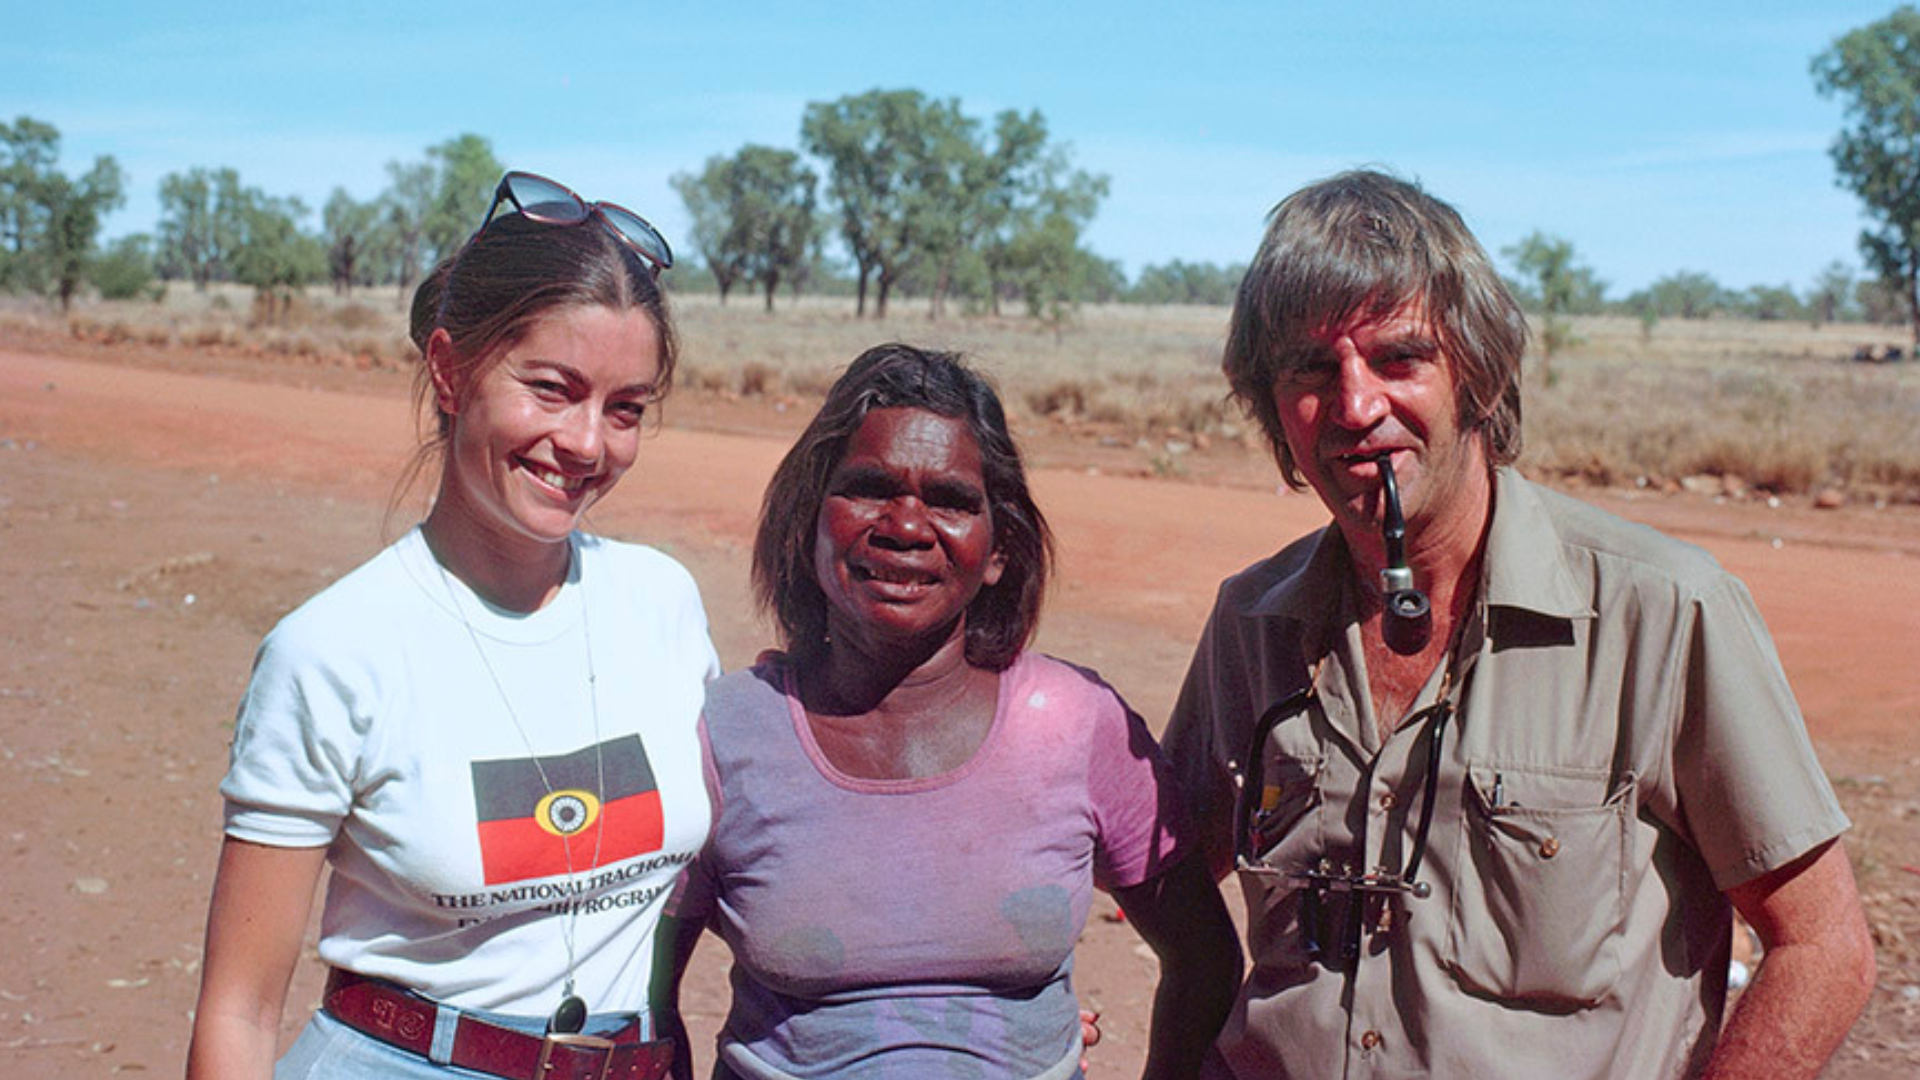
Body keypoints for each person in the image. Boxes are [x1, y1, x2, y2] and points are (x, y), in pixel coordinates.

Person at [1162, 169, 1876, 1079]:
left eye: (1398, 358)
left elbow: (1823, 948)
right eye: (1310, 368)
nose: (1354, 407)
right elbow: (1163, 863)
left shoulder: (1657, 612)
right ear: (1272, 407)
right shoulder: (1251, 623)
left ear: (1479, 371)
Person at [185, 171, 719, 1080]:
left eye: (625, 408)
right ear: (449, 368)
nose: (589, 443)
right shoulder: (334, 651)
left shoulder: (660, 603)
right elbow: (239, 1011)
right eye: (553, 389)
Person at [666, 344, 1241, 1080]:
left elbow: (1205, 956)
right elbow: (646, 996)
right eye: (868, 488)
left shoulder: (1075, 723)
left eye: (949, 500)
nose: (905, 526)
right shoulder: (724, 734)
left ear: (999, 548)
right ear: (808, 522)